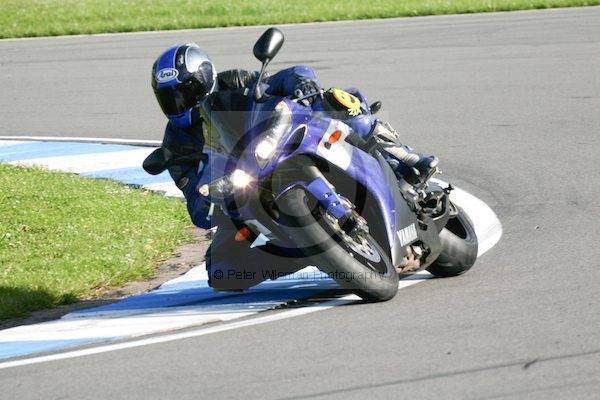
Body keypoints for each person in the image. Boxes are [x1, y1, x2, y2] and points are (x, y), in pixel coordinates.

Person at [145, 43, 437, 290]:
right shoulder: (176, 143)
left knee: (336, 100)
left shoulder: (234, 82)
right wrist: (209, 197)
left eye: (185, 92)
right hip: (248, 190)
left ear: (205, 79)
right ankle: (316, 254)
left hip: (283, 143)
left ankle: (404, 158)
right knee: (221, 271)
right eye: (169, 98)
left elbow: (288, 76)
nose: (179, 103)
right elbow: (197, 207)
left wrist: (302, 83)